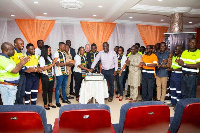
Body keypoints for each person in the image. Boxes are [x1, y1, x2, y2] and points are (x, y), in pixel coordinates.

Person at [11, 38, 35, 104]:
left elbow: (22, 65)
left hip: (23, 75)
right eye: (21, 44)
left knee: (22, 94)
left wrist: (27, 70)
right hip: (17, 76)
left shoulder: (21, 54)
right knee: (17, 95)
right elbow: (14, 66)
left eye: (23, 44)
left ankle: (21, 108)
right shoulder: (13, 53)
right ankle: (17, 110)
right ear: (15, 44)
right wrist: (25, 70)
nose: (23, 45)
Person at [54, 42, 72, 107]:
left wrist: (69, 63)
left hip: (64, 72)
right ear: (60, 46)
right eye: (64, 46)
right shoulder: (56, 53)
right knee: (58, 88)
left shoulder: (64, 53)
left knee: (64, 86)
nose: (65, 48)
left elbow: (64, 62)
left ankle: (64, 99)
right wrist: (66, 63)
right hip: (59, 73)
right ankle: (57, 101)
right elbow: (57, 64)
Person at [39, 45, 58, 110]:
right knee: (45, 90)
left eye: (50, 50)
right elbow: (43, 68)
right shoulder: (41, 58)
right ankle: (45, 104)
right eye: (49, 50)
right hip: (45, 76)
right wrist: (52, 64)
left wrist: (54, 62)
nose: (50, 51)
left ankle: (50, 102)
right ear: (45, 50)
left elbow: (51, 66)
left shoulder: (49, 57)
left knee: (50, 90)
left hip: (51, 76)